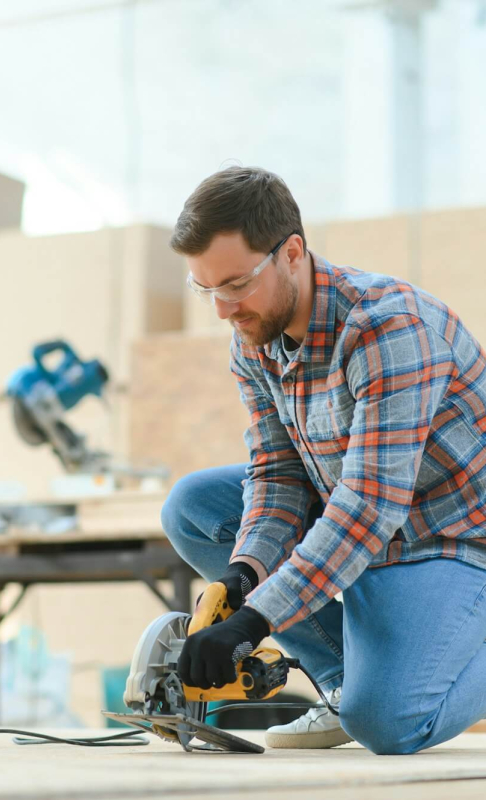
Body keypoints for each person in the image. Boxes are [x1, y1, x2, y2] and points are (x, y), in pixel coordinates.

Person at [160, 165, 486, 755]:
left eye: (234, 284)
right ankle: (341, 687)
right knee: (193, 507)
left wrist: (255, 619)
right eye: (206, 289)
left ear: (291, 253)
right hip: (366, 523)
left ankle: (382, 691)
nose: (222, 311)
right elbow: (279, 476)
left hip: (450, 538)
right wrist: (242, 576)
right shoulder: (255, 332)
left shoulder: (389, 328)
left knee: (389, 722)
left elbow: (367, 508)